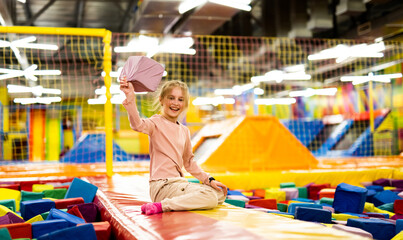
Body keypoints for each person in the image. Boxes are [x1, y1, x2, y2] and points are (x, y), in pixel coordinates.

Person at [120, 76, 227, 215]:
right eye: (171, 98)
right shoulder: (155, 123)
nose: (175, 103)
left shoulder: (184, 130)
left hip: (178, 184)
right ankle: (162, 206)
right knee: (210, 197)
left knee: (219, 194)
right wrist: (130, 98)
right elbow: (137, 124)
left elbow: (189, 162)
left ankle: (178, 201)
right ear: (161, 100)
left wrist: (209, 180)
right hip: (163, 185)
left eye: (180, 99)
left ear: (184, 104)